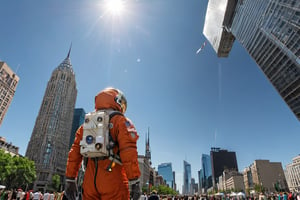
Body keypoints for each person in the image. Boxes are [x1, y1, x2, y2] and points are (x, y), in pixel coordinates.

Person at [65, 87, 141, 200]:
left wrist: (70, 179)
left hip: (89, 181)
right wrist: (134, 180)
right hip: (113, 178)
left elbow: (74, 153)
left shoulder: (86, 123)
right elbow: (128, 151)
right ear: (117, 101)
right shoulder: (120, 121)